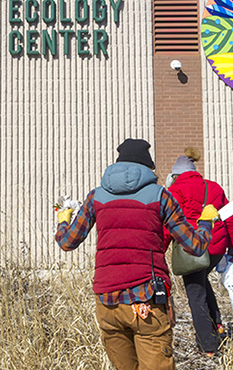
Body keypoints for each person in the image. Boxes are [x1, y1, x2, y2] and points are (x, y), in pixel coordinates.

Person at [55, 139, 218, 370]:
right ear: (148, 167)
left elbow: (67, 242)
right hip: (147, 301)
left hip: (107, 302)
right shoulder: (161, 196)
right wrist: (205, 221)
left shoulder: (96, 197)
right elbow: (195, 246)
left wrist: (63, 221)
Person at [165, 147, 233, 355]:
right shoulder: (213, 186)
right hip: (216, 247)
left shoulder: (175, 190)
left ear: (176, 175)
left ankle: (209, 346)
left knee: (195, 294)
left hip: (192, 250)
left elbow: (169, 223)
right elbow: (229, 218)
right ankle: (217, 324)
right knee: (202, 282)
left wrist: (159, 250)